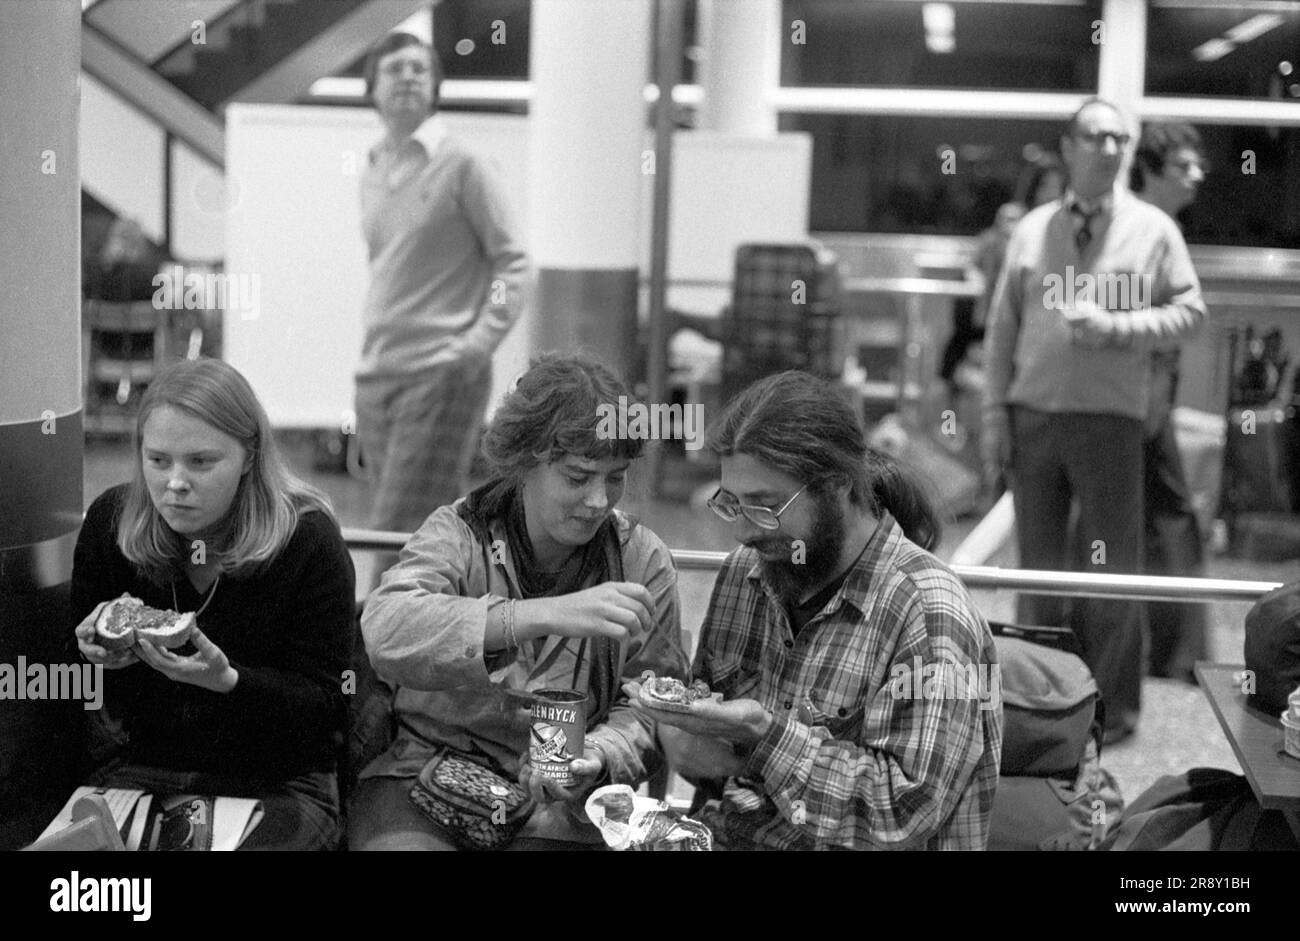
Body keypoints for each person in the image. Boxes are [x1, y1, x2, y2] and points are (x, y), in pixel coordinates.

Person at [632, 370, 1001, 850]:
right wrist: (681, 732)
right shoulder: (750, 571)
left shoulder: (928, 613)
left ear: (839, 485)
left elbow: (901, 816)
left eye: (766, 506)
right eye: (732, 504)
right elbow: (717, 763)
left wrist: (763, 737)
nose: (744, 532)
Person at [350, 353, 687, 851]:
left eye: (615, 477)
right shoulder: (458, 532)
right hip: (425, 775)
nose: (599, 500)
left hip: (562, 805)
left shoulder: (642, 558)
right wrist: (533, 616)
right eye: (578, 477)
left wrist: (598, 754)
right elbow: (386, 629)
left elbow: (655, 705)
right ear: (523, 462)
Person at [981, 98, 1207, 743]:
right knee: (1040, 571)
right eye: (1095, 136)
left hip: (1109, 422)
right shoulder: (1033, 230)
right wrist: (995, 414)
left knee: (1111, 572)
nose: (1108, 147)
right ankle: (1035, 703)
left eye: (1119, 138)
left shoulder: (1153, 231)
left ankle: (1113, 712)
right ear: (1070, 147)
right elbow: (1002, 331)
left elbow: (1191, 314)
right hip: (1035, 419)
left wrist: (1120, 328)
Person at [71, 358, 355, 851]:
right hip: (144, 767)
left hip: (280, 780)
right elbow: (84, 697)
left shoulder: (307, 539)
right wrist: (93, 656)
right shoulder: (110, 522)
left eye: (201, 462)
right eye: (158, 461)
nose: (175, 483)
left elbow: (328, 708)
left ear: (249, 456)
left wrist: (231, 683)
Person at [353, 31, 529, 583]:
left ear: (433, 87)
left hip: (439, 371)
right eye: (394, 67)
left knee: (396, 534)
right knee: (410, 529)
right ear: (372, 88)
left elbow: (515, 264)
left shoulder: (464, 164)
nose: (407, 76)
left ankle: (376, 657)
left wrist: (474, 347)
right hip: (377, 373)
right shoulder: (374, 165)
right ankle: (427, 646)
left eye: (419, 69)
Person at [1128, 122, 1210, 684]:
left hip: (1150, 396)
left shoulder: (1160, 230)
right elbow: (1136, 322)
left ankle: (1173, 655)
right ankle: (1178, 657)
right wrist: (1152, 401)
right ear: (1153, 170)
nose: (1196, 176)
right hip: (1135, 399)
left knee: (1164, 522)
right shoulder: (1138, 230)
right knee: (1171, 521)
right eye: (1182, 166)